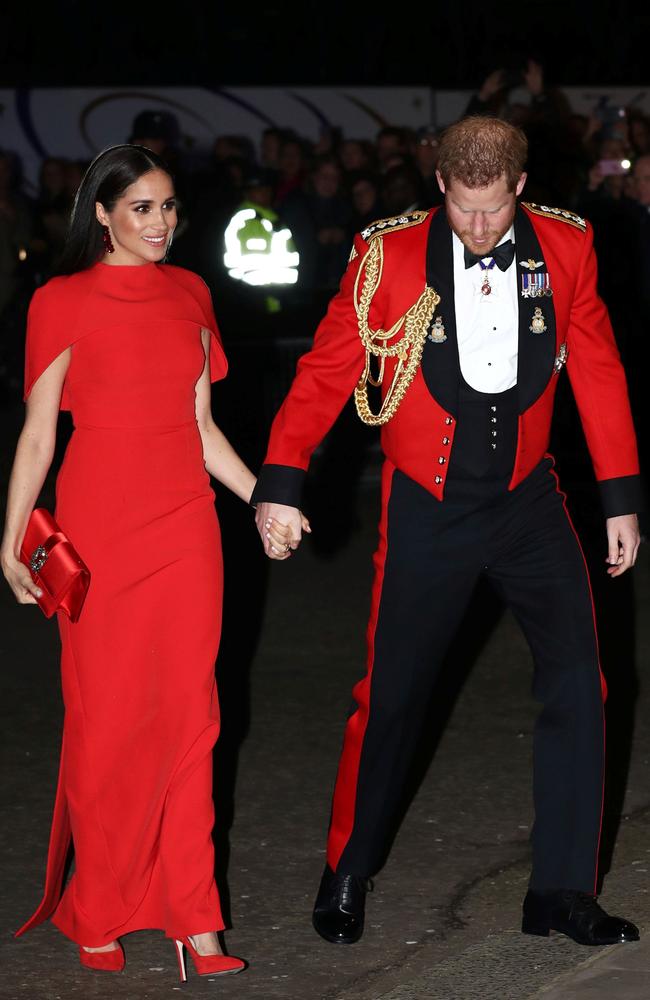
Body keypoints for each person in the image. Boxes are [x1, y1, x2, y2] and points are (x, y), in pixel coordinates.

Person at [251, 116, 643, 948]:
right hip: (428, 505)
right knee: (391, 697)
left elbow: (599, 366)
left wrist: (620, 496)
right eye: (462, 209)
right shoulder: (387, 255)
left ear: (520, 190)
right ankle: (348, 868)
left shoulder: (567, 248)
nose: (476, 228)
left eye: (493, 212)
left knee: (583, 683)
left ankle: (564, 891)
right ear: (440, 187)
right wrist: (281, 482)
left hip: (530, 503)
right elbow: (328, 369)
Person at [0, 145, 288, 980]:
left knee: (193, 717)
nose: (160, 223)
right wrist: (11, 538)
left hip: (186, 530)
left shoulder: (192, 294)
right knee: (108, 719)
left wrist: (266, 500)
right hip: (100, 530)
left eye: (168, 208)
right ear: (101, 213)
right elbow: (38, 435)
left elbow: (201, 430)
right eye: (141, 209)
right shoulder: (60, 301)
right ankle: (101, 905)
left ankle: (195, 917)